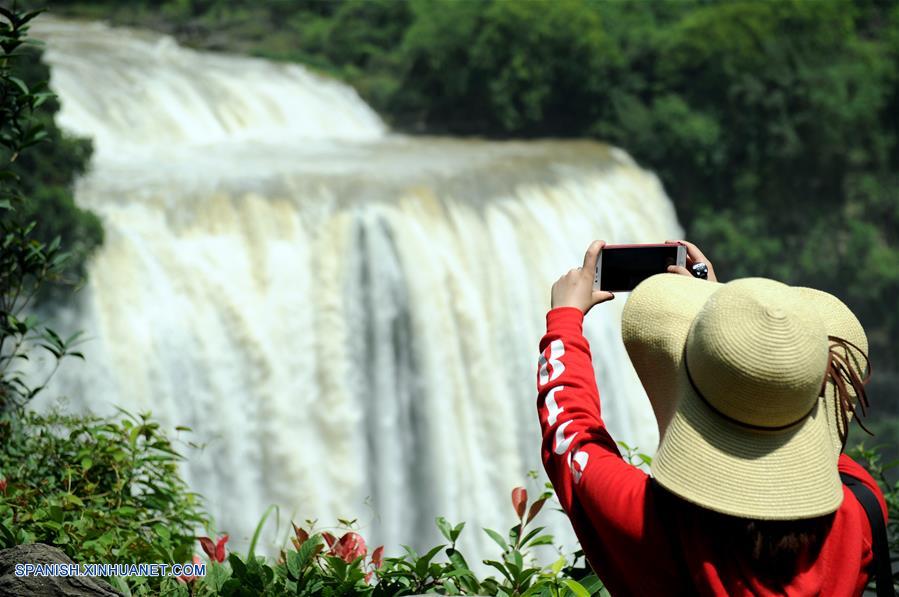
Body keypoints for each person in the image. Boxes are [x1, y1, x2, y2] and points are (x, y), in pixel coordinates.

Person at [537, 239, 888, 596]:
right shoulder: (862, 512)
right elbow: (808, 434)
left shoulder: (652, 525)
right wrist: (734, 330)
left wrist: (566, 318)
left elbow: (569, 434)